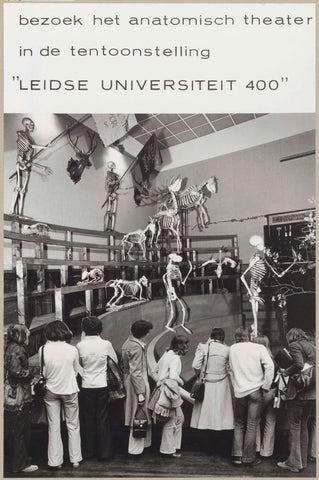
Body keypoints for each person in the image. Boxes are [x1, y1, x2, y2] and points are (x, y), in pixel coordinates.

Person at [41, 320, 82, 470]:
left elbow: (43, 372)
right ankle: (75, 459)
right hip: (69, 389)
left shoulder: (43, 349)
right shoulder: (72, 349)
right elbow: (77, 370)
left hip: (50, 390)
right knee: (73, 425)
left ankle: (55, 461)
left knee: (54, 425)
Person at [229, 327, 274, 466]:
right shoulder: (258, 348)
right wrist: (266, 386)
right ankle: (249, 458)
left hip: (239, 391)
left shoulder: (232, 349)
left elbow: (231, 369)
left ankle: (237, 456)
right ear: (248, 336)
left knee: (239, 423)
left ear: (236, 337)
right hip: (255, 390)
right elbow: (270, 367)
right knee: (252, 424)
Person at [76, 316, 118, 461]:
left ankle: (88, 451)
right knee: (103, 418)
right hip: (102, 384)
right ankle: (105, 452)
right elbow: (114, 362)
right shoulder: (106, 344)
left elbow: (78, 365)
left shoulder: (80, 346)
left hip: (86, 385)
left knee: (87, 418)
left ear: (84, 329)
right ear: (100, 329)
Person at [277, 328, 316, 473]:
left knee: (294, 426)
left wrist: (285, 372)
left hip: (298, 393)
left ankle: (293, 463)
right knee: (303, 426)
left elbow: (299, 365)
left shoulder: (294, 345)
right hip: (312, 393)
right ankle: (302, 462)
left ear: (291, 337)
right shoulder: (312, 345)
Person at [190, 327, 234, 453]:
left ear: (211, 336)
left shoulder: (203, 347)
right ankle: (219, 444)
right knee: (221, 412)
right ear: (223, 338)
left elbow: (195, 365)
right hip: (222, 383)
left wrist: (200, 375)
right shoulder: (227, 349)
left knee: (205, 412)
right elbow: (230, 367)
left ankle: (205, 444)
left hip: (207, 382)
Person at [4, 324, 38, 473]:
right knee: (20, 430)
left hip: (15, 392)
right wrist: (32, 375)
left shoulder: (10, 347)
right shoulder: (17, 349)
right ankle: (20, 464)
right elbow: (16, 371)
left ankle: (21, 459)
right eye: (27, 334)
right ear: (21, 335)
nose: (28, 337)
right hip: (19, 394)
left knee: (17, 429)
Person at [153, 335, 189, 457]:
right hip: (170, 393)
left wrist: (160, 381)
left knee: (178, 419)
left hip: (163, 390)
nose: (187, 348)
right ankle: (168, 450)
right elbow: (173, 376)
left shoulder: (166, 354)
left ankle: (174, 447)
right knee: (172, 420)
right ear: (180, 346)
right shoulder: (175, 358)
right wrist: (181, 381)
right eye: (186, 345)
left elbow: (154, 370)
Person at [121, 319, 153, 455]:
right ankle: (136, 448)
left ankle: (141, 445)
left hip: (129, 381)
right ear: (143, 333)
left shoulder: (127, 343)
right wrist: (141, 392)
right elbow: (136, 371)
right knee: (138, 414)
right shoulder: (136, 347)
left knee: (134, 413)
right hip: (137, 383)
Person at [252, 335, 277, 458]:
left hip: (259, 391)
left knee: (255, 420)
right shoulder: (272, 359)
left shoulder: (254, 360)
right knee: (270, 421)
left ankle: (255, 448)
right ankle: (266, 451)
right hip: (272, 392)